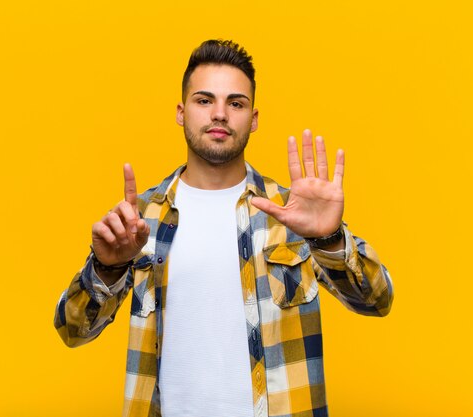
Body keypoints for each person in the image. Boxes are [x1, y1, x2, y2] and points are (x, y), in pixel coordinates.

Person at [54, 39, 393, 417]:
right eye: (204, 100)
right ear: (181, 113)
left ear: (254, 117)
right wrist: (107, 268)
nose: (220, 114)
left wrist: (327, 238)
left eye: (235, 103)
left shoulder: (291, 214)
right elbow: (73, 330)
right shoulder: (139, 220)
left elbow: (377, 300)